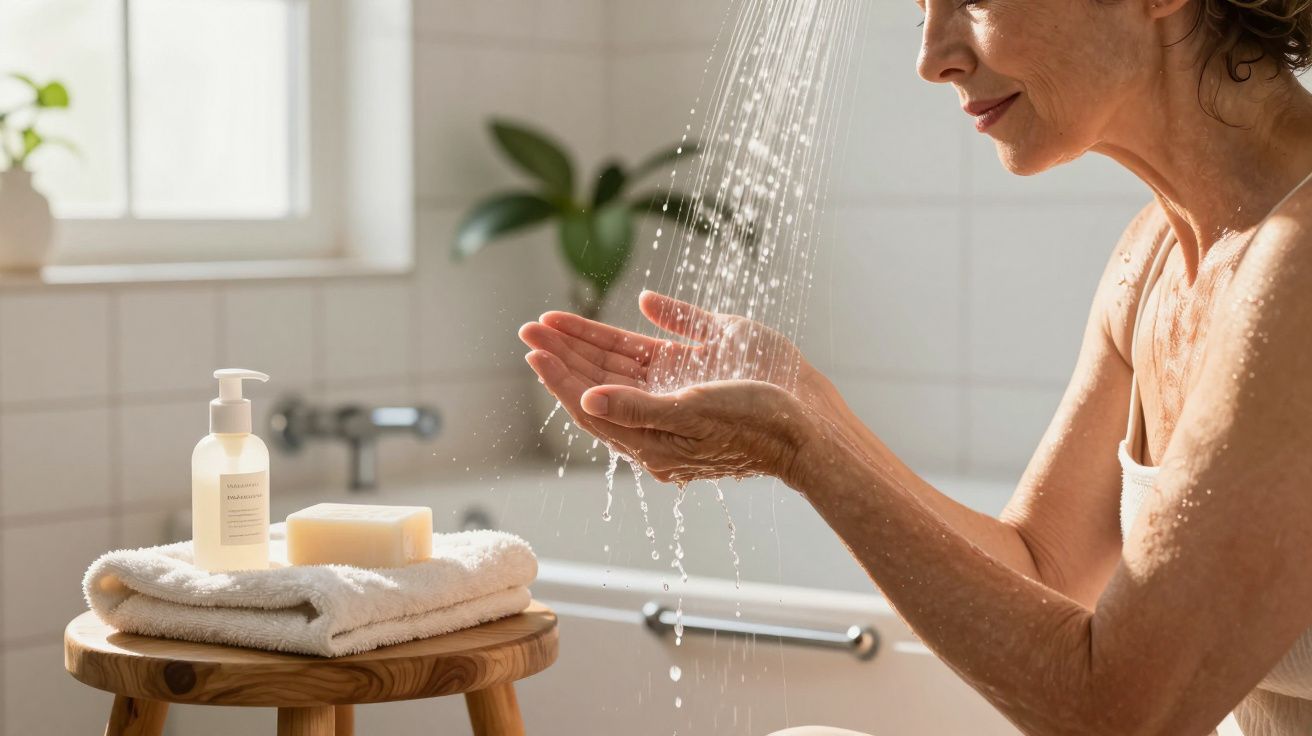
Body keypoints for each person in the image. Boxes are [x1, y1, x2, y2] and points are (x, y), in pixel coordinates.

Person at [518, 0, 1312, 733]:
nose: (933, 58)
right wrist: (813, 410)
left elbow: (1116, 713)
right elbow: (1042, 567)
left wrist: (805, 452)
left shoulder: (1300, 259)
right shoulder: (1155, 260)